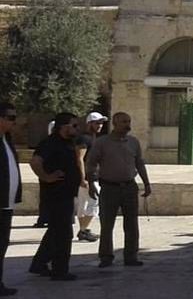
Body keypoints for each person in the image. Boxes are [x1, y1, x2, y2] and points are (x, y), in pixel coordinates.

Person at [85, 112, 152, 269]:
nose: (127, 125)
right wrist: (90, 184)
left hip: (129, 186)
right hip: (109, 188)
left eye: (128, 121)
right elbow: (91, 164)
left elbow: (139, 164)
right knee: (107, 224)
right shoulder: (102, 143)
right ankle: (106, 256)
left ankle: (131, 256)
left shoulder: (133, 142)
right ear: (115, 123)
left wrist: (147, 183)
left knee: (131, 224)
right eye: (123, 122)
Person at [30, 112, 81, 281]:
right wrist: (46, 177)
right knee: (64, 233)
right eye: (74, 125)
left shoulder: (68, 143)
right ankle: (60, 270)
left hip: (67, 194)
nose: (76, 128)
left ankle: (39, 263)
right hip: (56, 196)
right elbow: (35, 161)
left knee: (55, 232)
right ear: (63, 126)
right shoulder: (50, 143)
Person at [74, 112, 106, 242]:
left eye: (101, 123)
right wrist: (82, 178)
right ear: (89, 123)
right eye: (97, 123)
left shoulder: (94, 139)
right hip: (88, 177)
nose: (100, 125)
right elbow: (80, 158)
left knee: (83, 204)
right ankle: (83, 230)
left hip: (92, 176)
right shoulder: (84, 139)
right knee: (94, 202)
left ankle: (83, 230)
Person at [0, 101, 22, 296]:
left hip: (6, 203)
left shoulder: (7, 139)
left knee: (2, 243)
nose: (14, 122)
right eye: (11, 118)